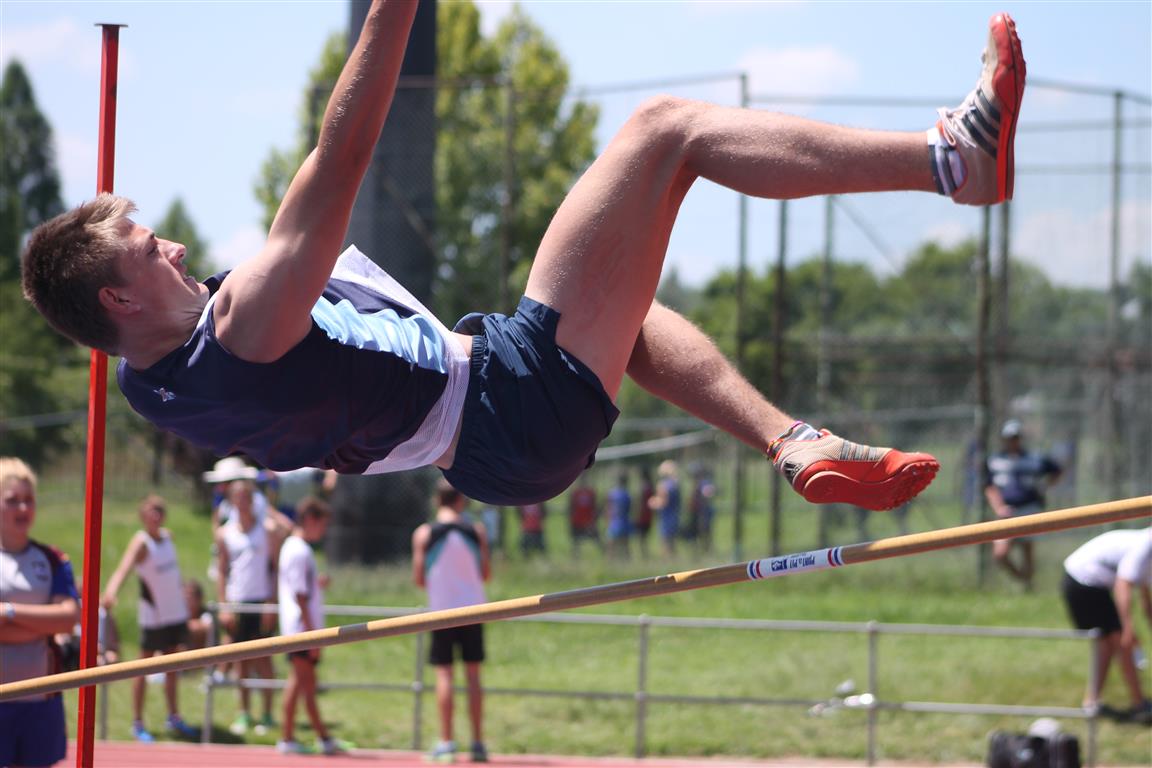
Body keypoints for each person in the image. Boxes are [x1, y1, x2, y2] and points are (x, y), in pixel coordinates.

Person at [22, 4, 1028, 514]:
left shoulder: (152, 387)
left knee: (627, 314)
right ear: (117, 297)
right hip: (503, 398)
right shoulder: (241, 325)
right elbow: (342, 155)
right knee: (665, 130)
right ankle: (954, 160)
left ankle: (791, 441)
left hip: (491, 457)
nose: (175, 245)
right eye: (148, 249)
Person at [0, 457, 80, 768]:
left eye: (29, 500)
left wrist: (8, 612)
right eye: (12, 500)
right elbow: (54, 620)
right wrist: (41, 623)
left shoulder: (52, 559)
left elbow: (68, 618)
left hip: (41, 698)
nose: (23, 508)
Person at [100, 494, 199, 741]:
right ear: (143, 515)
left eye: (159, 510)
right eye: (150, 511)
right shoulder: (141, 543)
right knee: (143, 668)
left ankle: (173, 716)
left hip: (175, 614)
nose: (155, 515)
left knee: (172, 667)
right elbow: (123, 569)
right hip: (153, 617)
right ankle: (137, 722)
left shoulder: (167, 537)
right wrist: (111, 593)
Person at [412, 480, 491, 763]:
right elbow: (485, 573)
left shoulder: (424, 533)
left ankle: (447, 742)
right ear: (461, 500)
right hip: (473, 610)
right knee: (473, 675)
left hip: (442, 612)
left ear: (437, 500)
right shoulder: (476, 531)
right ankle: (478, 742)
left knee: (444, 674)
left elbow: (419, 578)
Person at [215, 478, 291, 736]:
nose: (242, 503)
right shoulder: (225, 533)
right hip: (238, 600)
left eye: (246, 498)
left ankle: (267, 714)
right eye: (237, 498)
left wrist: (272, 601)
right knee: (241, 660)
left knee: (264, 658)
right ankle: (244, 712)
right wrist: (224, 605)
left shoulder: (266, 529)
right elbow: (222, 571)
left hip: (261, 600)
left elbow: (276, 567)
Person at [276, 497, 347, 755]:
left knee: (298, 684)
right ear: (309, 520)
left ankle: (289, 737)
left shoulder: (295, 548)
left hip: (299, 628)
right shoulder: (298, 550)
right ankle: (321, 737)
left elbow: (301, 588)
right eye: (322, 524)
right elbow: (300, 595)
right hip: (301, 630)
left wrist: (317, 584)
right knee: (307, 685)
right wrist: (313, 635)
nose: (324, 531)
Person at [1062, 526, 1152, 724]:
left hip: (1088, 584)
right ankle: (1140, 704)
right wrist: (1128, 628)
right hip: (1083, 582)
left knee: (1106, 646)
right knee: (1121, 643)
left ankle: (1092, 701)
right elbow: (1123, 585)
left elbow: (1145, 594)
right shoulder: (1147, 543)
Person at [985, 419, 1062, 589]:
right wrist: (999, 507)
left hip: (1029, 508)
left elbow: (1057, 470)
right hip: (1007, 511)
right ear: (1004, 439)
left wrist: (1044, 486)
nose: (1013, 441)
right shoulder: (995, 460)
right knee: (1000, 554)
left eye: (1016, 437)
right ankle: (1021, 578)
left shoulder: (1034, 458)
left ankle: (1028, 586)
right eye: (1010, 438)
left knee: (1027, 551)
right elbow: (990, 487)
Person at [652, 460, 682, 557]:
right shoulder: (675, 483)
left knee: (666, 543)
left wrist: (652, 502)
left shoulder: (663, 485)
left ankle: (669, 560)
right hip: (675, 516)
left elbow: (662, 502)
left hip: (666, 517)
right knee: (672, 543)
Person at [568, 474, 600, 557]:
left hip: (588, 521)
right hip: (577, 521)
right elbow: (571, 508)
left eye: (584, 479)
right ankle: (575, 557)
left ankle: (603, 555)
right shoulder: (575, 493)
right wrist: (570, 521)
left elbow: (594, 507)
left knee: (597, 539)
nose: (583, 481)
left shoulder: (591, 492)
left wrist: (594, 520)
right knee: (576, 542)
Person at [604, 471, 633, 560]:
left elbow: (608, 509)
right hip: (624, 522)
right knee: (625, 547)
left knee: (611, 547)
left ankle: (610, 562)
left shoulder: (612, 493)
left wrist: (607, 520)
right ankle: (627, 562)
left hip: (614, 522)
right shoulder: (627, 494)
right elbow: (629, 509)